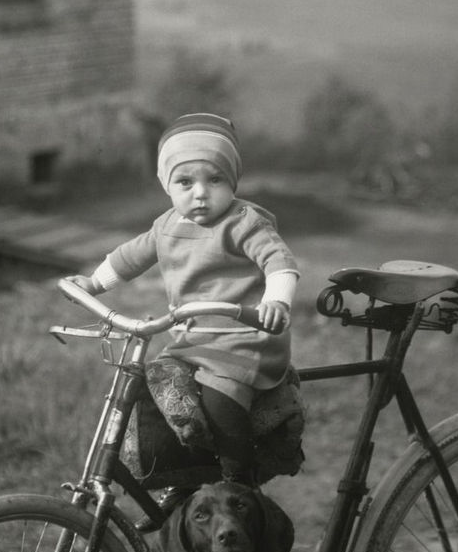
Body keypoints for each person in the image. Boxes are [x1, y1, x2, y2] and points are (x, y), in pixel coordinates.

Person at [74, 113, 299, 485]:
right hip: (192, 337)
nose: (200, 192)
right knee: (159, 395)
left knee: (220, 400)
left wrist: (276, 302)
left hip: (244, 338)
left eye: (215, 179)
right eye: (185, 181)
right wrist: (94, 284)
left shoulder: (244, 222)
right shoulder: (166, 226)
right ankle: (184, 479)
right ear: (167, 186)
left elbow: (279, 262)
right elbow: (129, 257)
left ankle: (238, 483)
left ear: (233, 182)